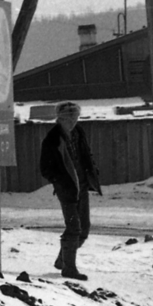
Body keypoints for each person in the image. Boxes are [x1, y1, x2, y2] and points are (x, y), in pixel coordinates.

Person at [38, 100, 101, 280]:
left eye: (75, 117)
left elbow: (86, 155)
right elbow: (45, 168)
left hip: (81, 186)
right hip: (67, 190)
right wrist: (60, 181)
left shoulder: (79, 133)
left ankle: (63, 260)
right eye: (69, 118)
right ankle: (69, 268)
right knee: (74, 227)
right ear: (60, 119)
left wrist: (93, 171)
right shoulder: (52, 139)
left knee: (84, 228)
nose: (73, 121)